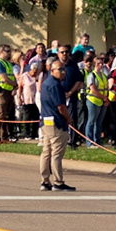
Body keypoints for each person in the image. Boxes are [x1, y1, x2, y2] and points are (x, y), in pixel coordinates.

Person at [37, 58, 76, 191]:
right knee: (56, 154)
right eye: (60, 69)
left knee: (46, 152)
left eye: (64, 69)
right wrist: (69, 119)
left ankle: (45, 181)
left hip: (46, 121)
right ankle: (58, 182)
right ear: (51, 70)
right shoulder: (55, 85)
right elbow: (61, 107)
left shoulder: (46, 83)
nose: (63, 72)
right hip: (57, 123)